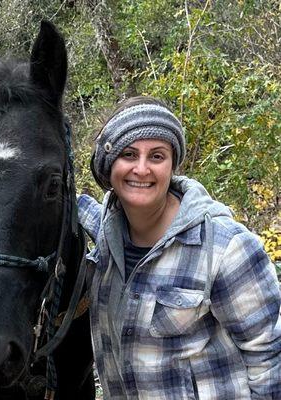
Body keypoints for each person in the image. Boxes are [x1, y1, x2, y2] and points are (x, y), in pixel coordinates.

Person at [78, 96, 281, 399]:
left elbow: (271, 359)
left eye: (157, 156)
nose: (142, 169)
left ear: (172, 165)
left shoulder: (226, 248)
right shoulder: (108, 240)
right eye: (129, 154)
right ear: (108, 166)